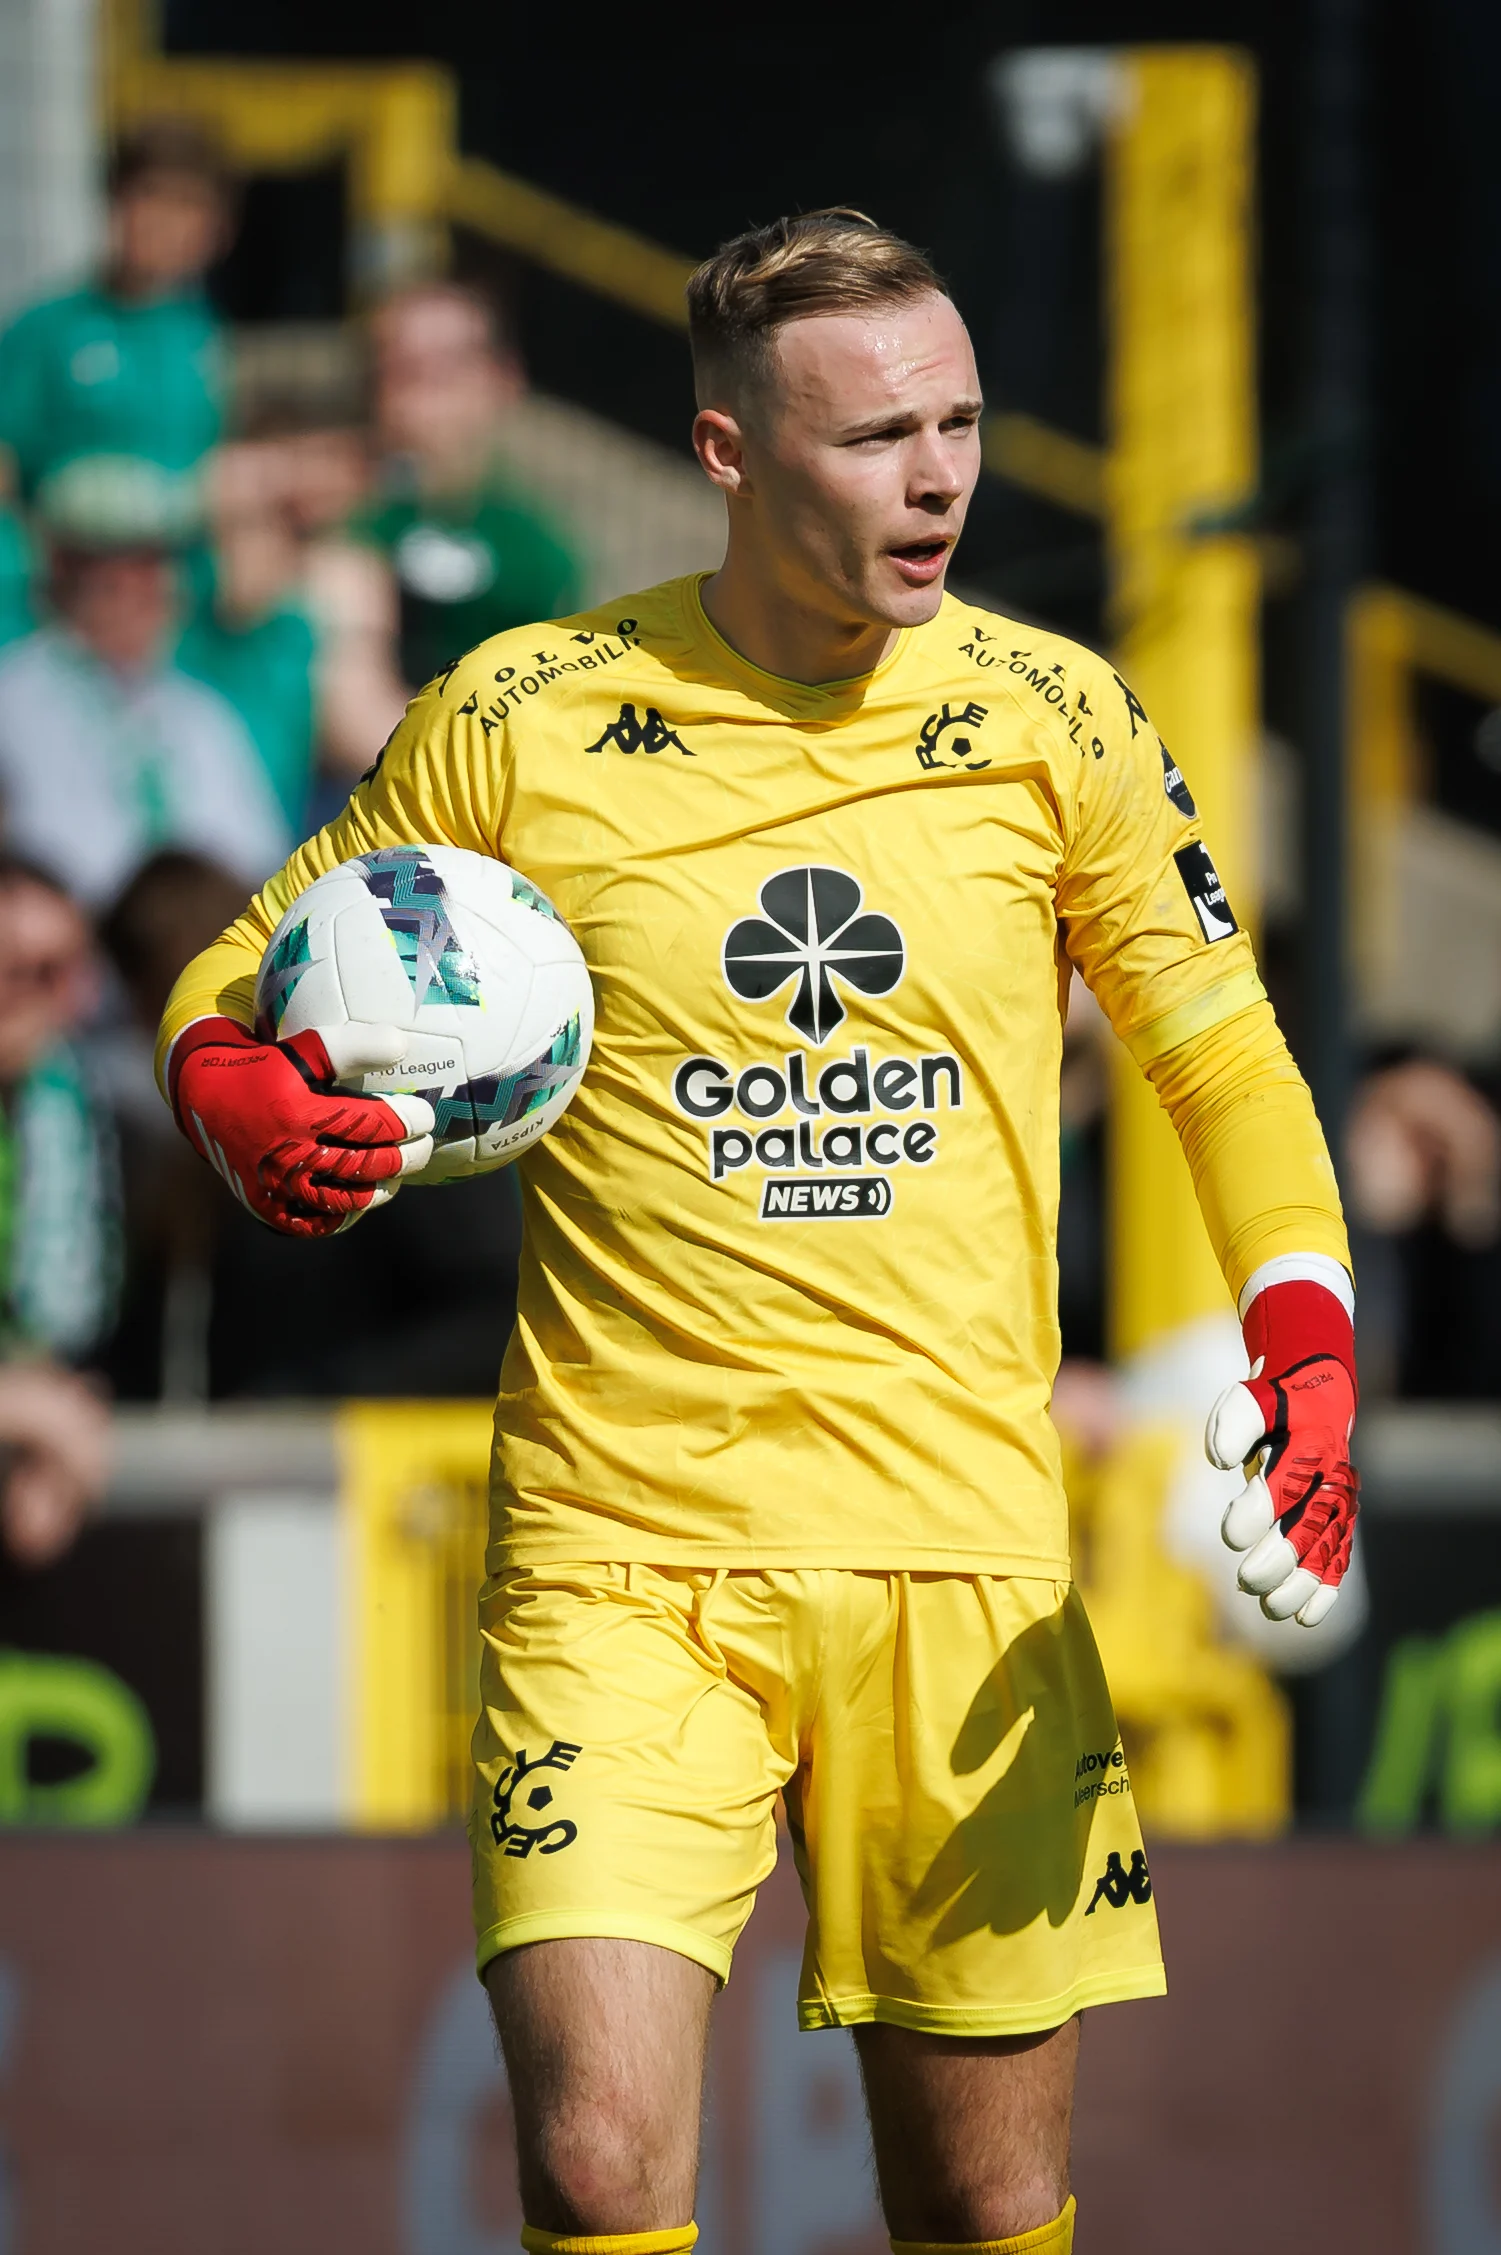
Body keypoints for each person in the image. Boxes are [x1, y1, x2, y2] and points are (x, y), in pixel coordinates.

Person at [155, 213, 1360, 2255]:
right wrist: (235, 1086)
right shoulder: (524, 713)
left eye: (963, 421)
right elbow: (240, 963)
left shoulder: (1054, 717)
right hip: (622, 1556)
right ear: (727, 453)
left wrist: (1308, 1349)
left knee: (983, 2196)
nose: (942, 476)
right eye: (879, 432)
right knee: (599, 2157)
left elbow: (1225, 1057)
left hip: (958, 1556)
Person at [0, 474, 289, 909]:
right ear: (62, 569)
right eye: (117, 564)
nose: (145, 585)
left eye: (157, 563)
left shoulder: (203, 715)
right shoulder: (15, 698)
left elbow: (261, 866)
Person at [352, 281, 582, 695]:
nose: (418, 396)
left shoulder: (537, 551)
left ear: (504, 378)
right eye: (399, 368)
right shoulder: (331, 514)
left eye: (443, 370)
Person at [0, 120, 232, 511]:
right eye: (151, 196)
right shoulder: (45, 330)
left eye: (187, 205)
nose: (164, 221)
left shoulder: (204, 336)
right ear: (115, 200)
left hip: (179, 566)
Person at [0, 856, 114, 1565]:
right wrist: (29, 1413)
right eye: (13, 966)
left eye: (54, 969)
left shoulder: (86, 1121)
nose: (24, 994)